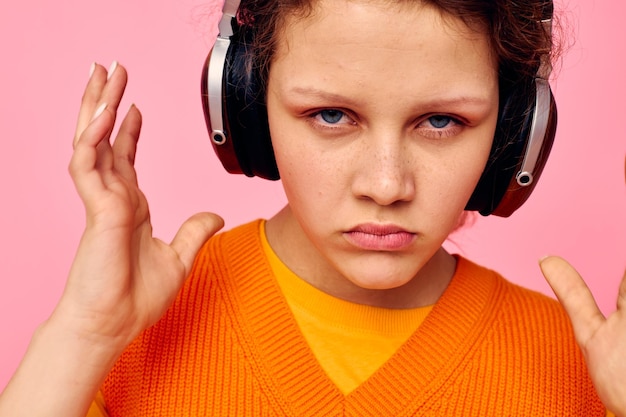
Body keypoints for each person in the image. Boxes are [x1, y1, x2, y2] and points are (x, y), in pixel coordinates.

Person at [0, 0, 624, 415]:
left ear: (517, 130)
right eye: (331, 115)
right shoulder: (122, 339)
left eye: (441, 120)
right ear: (244, 107)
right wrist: (84, 335)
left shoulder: (580, 369)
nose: (386, 186)